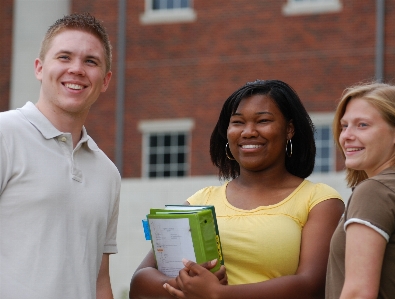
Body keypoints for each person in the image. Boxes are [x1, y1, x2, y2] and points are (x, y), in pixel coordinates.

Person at [130, 79, 344, 299]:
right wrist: (185, 286)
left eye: (263, 121)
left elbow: (311, 285)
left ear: (289, 129)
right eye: (238, 122)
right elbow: (140, 282)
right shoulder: (201, 200)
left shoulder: (319, 200)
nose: (248, 132)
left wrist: (218, 294)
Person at [0, 13, 120, 299]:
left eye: (90, 61)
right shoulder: (5, 134)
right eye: (64, 57)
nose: (76, 69)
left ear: (105, 81)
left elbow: (100, 281)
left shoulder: (108, 173)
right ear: (40, 68)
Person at [325, 82, 395, 299]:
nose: (346, 136)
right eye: (344, 125)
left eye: (362, 125)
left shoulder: (375, 191)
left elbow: (358, 293)